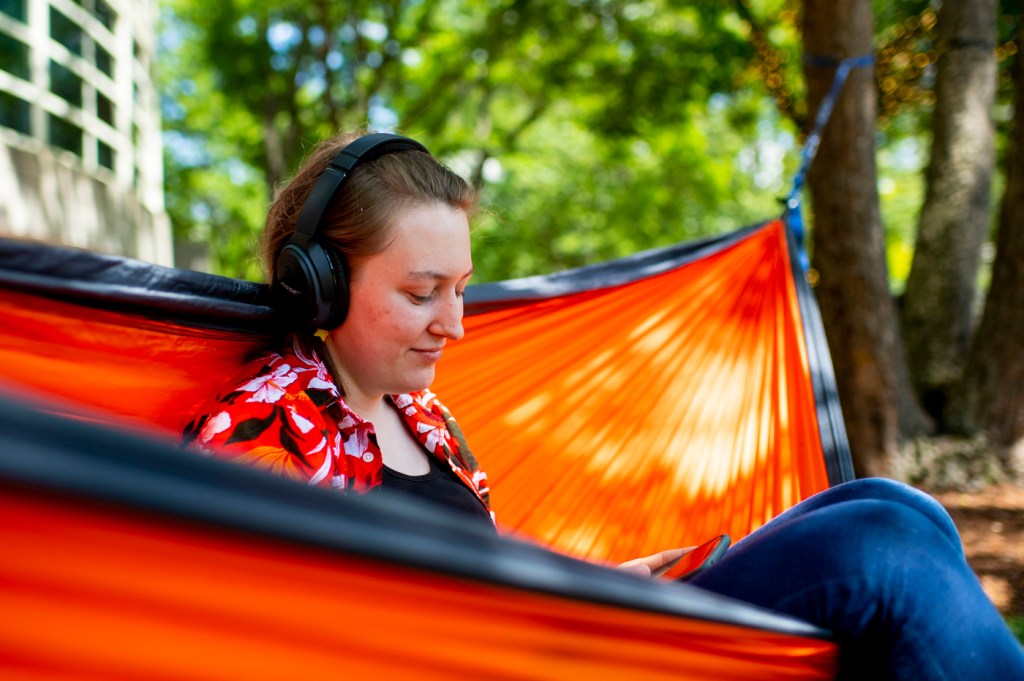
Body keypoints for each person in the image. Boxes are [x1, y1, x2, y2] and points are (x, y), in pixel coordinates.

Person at [183, 130, 1024, 679]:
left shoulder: (424, 418)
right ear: (318, 286)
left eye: (462, 289)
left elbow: (477, 573)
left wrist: (586, 584)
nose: (456, 325)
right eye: (421, 291)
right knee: (880, 550)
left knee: (894, 504)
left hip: (569, 638)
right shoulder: (260, 433)